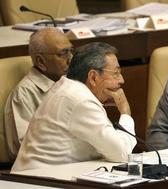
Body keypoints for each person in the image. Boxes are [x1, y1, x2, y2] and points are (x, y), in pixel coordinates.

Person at [11, 42, 137, 172]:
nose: (121, 80)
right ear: (93, 77)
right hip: (39, 180)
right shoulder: (82, 100)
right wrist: (125, 112)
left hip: (37, 176)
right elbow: (121, 153)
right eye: (115, 73)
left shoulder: (66, 87)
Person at [4, 27, 73, 160]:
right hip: (42, 168)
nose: (70, 59)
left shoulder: (68, 83)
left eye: (71, 51)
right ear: (41, 62)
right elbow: (26, 148)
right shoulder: (24, 94)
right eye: (63, 53)